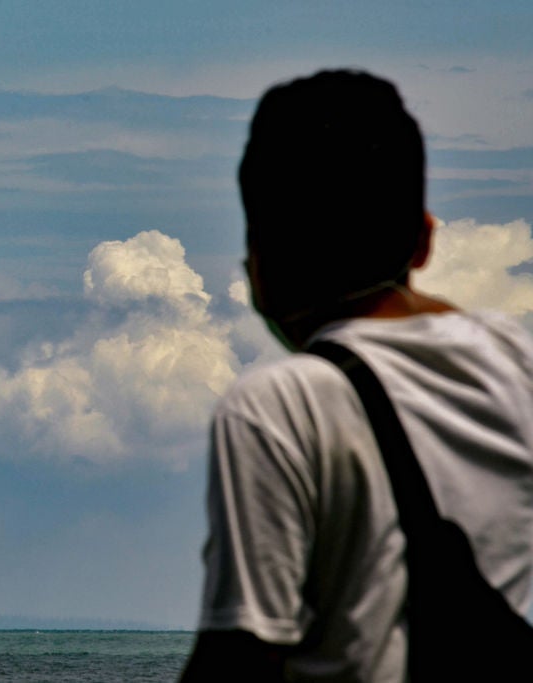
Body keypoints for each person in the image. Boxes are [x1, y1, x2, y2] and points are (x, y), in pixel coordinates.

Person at [180, 69, 533, 681]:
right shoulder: (518, 362)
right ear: (425, 241)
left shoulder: (281, 404)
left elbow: (240, 657)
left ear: (257, 261)